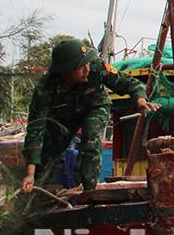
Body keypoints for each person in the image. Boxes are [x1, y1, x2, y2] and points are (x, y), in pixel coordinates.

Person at [21, 39, 159, 193]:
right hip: (62, 117)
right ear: (66, 70)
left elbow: (126, 82)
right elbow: (36, 129)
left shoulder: (95, 66)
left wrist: (140, 100)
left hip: (95, 106)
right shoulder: (46, 88)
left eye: (87, 64)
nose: (87, 69)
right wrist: (30, 173)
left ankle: (88, 192)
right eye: (81, 67)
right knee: (48, 152)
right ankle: (34, 194)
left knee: (91, 137)